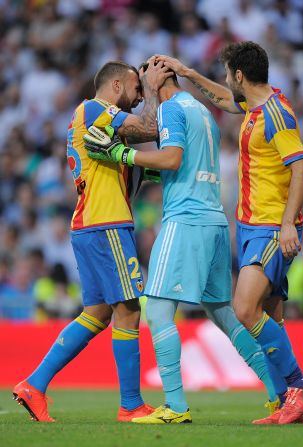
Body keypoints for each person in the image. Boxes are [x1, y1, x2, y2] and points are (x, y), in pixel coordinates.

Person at [84, 61, 282, 424]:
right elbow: (185, 161)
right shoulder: (201, 110)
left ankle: (175, 406)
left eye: (143, 83)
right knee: (224, 315)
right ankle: (278, 393)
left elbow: (173, 158)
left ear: (157, 78)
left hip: (185, 221)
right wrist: (145, 165)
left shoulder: (171, 108)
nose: (141, 93)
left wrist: (121, 154)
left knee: (158, 310)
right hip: (215, 222)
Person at [155, 42, 303, 424]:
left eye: (229, 73)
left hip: (269, 226)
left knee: (244, 308)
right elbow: (228, 99)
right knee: (271, 317)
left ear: (240, 74)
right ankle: (285, 404)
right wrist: (190, 73)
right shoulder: (255, 106)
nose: (228, 80)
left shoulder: (277, 114)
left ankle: (300, 384)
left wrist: (288, 222)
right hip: (249, 225)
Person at [12, 60, 172, 422]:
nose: (135, 98)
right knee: (129, 310)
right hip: (107, 222)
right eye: (133, 89)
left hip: (89, 223)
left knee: (99, 313)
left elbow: (141, 149)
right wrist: (151, 86)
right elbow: (149, 125)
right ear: (116, 86)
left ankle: (34, 385)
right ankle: (131, 404)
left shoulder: (91, 119)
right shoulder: (96, 108)